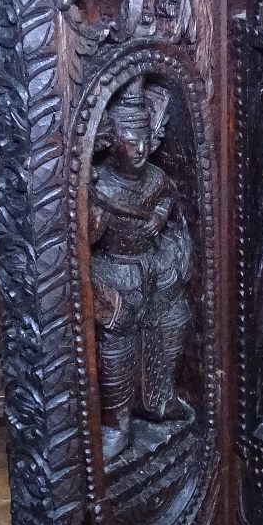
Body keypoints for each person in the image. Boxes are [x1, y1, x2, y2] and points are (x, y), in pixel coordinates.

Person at [89, 78, 194, 460]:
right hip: (117, 273)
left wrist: (162, 217)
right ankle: (117, 423)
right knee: (117, 347)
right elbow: (83, 241)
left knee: (175, 324)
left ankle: (160, 399)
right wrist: (94, 223)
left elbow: (168, 198)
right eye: (130, 140)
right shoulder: (101, 186)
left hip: (155, 270)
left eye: (145, 139)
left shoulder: (155, 178)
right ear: (108, 142)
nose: (140, 149)